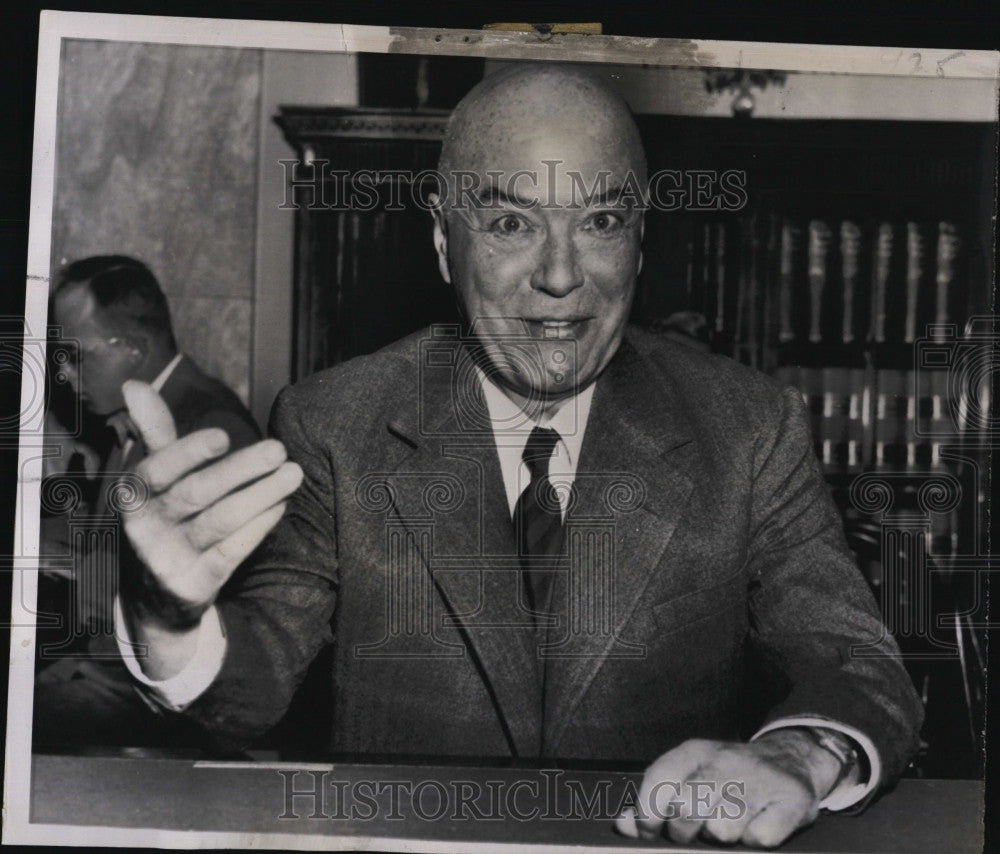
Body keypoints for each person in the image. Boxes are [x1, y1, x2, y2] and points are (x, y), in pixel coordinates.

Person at [109, 66, 922, 848]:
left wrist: (801, 754)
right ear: (442, 242)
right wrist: (169, 621)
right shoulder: (334, 421)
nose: (563, 275)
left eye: (600, 221)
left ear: (640, 239)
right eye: (510, 224)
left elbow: (855, 661)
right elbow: (253, 683)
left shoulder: (747, 425)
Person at [33, 255, 260, 746]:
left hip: (146, 696)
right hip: (97, 662)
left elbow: (214, 637)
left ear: (133, 347)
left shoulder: (209, 431)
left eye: (76, 355)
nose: (66, 374)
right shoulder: (139, 408)